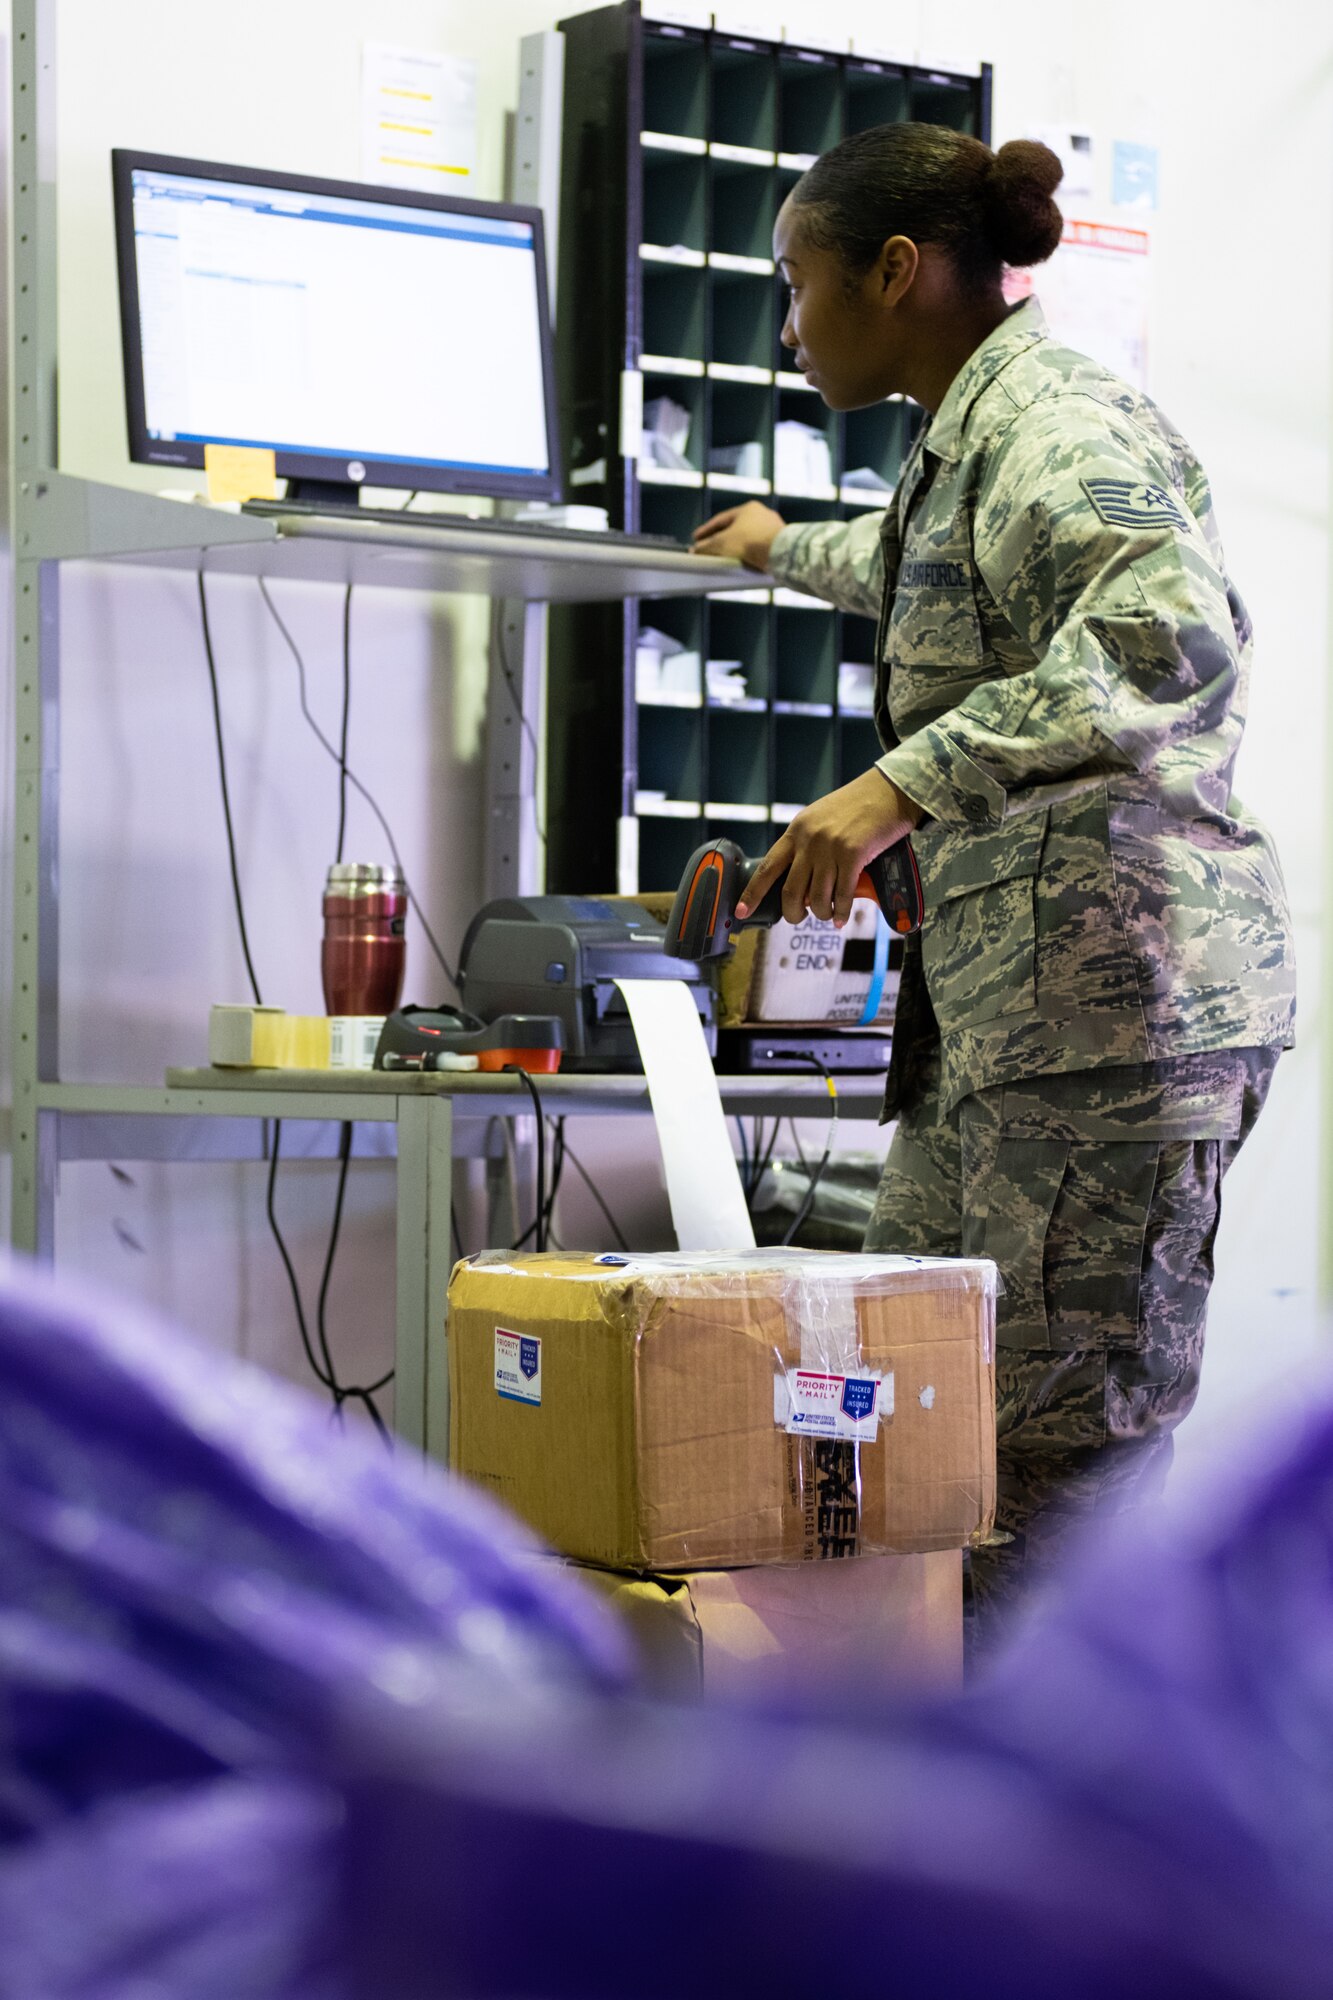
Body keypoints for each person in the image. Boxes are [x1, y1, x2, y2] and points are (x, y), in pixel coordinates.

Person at [691, 126, 1295, 1641]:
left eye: (798, 284)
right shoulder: (969, 432)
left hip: (1106, 1029)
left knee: (1054, 1466)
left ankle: (1083, 1831)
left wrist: (902, 780)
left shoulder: (1054, 424)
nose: (786, 324)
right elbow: (932, 572)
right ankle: (940, 1800)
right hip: (1000, 1033)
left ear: (895, 273)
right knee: (911, 1401)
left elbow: (1167, 638)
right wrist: (777, 548)